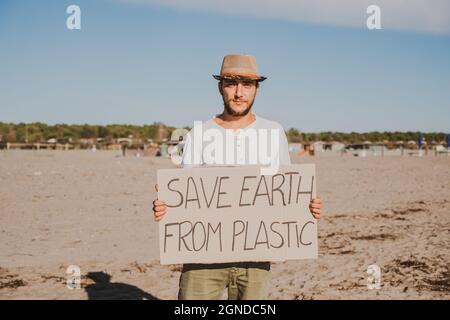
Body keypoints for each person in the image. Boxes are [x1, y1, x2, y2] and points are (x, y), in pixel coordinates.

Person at [152, 54, 322, 300]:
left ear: (257, 89)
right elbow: (187, 198)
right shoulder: (199, 134)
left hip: (256, 258)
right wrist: (166, 207)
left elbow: (286, 193)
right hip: (203, 257)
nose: (239, 93)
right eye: (231, 84)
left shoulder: (273, 132)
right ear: (221, 87)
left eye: (247, 85)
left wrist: (308, 207)